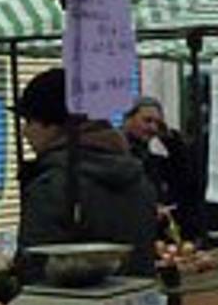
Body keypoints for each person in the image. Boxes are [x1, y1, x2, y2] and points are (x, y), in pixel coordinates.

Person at [14, 68, 160, 279]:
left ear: (53, 125)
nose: (25, 132)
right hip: (138, 302)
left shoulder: (53, 186)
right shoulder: (138, 178)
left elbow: (35, 271)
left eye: (29, 122)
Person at [122, 95, 205, 241]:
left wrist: (169, 139)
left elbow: (186, 178)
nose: (153, 128)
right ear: (128, 120)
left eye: (157, 124)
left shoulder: (151, 161)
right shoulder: (117, 157)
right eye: (147, 121)